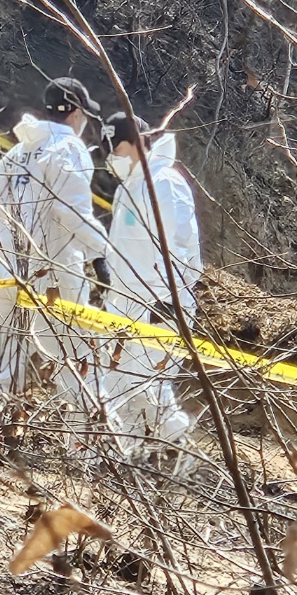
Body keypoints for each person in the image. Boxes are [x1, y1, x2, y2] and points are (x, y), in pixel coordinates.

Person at [0, 77, 110, 459]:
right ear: (76, 112)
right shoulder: (70, 149)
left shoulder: (18, 152)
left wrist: (5, 260)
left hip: (11, 270)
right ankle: (84, 452)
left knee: (5, 353)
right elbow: (71, 213)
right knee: (74, 357)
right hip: (56, 273)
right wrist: (102, 254)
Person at [98, 111, 201, 456]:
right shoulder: (132, 185)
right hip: (125, 301)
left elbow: (176, 250)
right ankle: (128, 459)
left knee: (145, 382)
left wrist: (165, 300)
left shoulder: (164, 183)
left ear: (138, 143)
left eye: (118, 148)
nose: (114, 157)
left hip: (158, 304)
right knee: (114, 382)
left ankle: (178, 447)